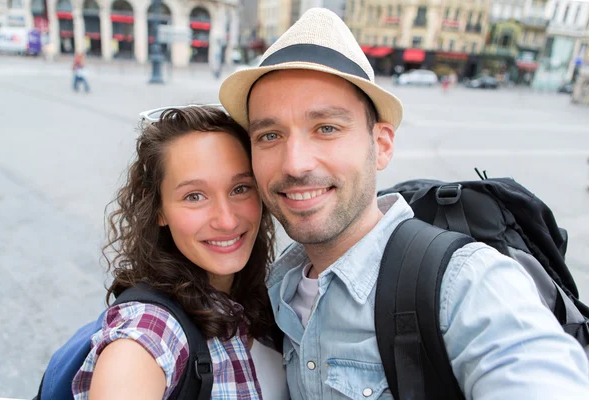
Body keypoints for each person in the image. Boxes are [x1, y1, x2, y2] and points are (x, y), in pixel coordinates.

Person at [219, 7, 589, 400]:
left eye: (326, 128)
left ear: (381, 146)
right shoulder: (277, 287)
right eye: (270, 135)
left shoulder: (465, 284)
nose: (294, 164)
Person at [71, 106, 288, 399]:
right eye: (194, 196)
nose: (226, 220)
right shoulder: (149, 331)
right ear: (158, 208)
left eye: (240, 188)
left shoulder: (274, 297)